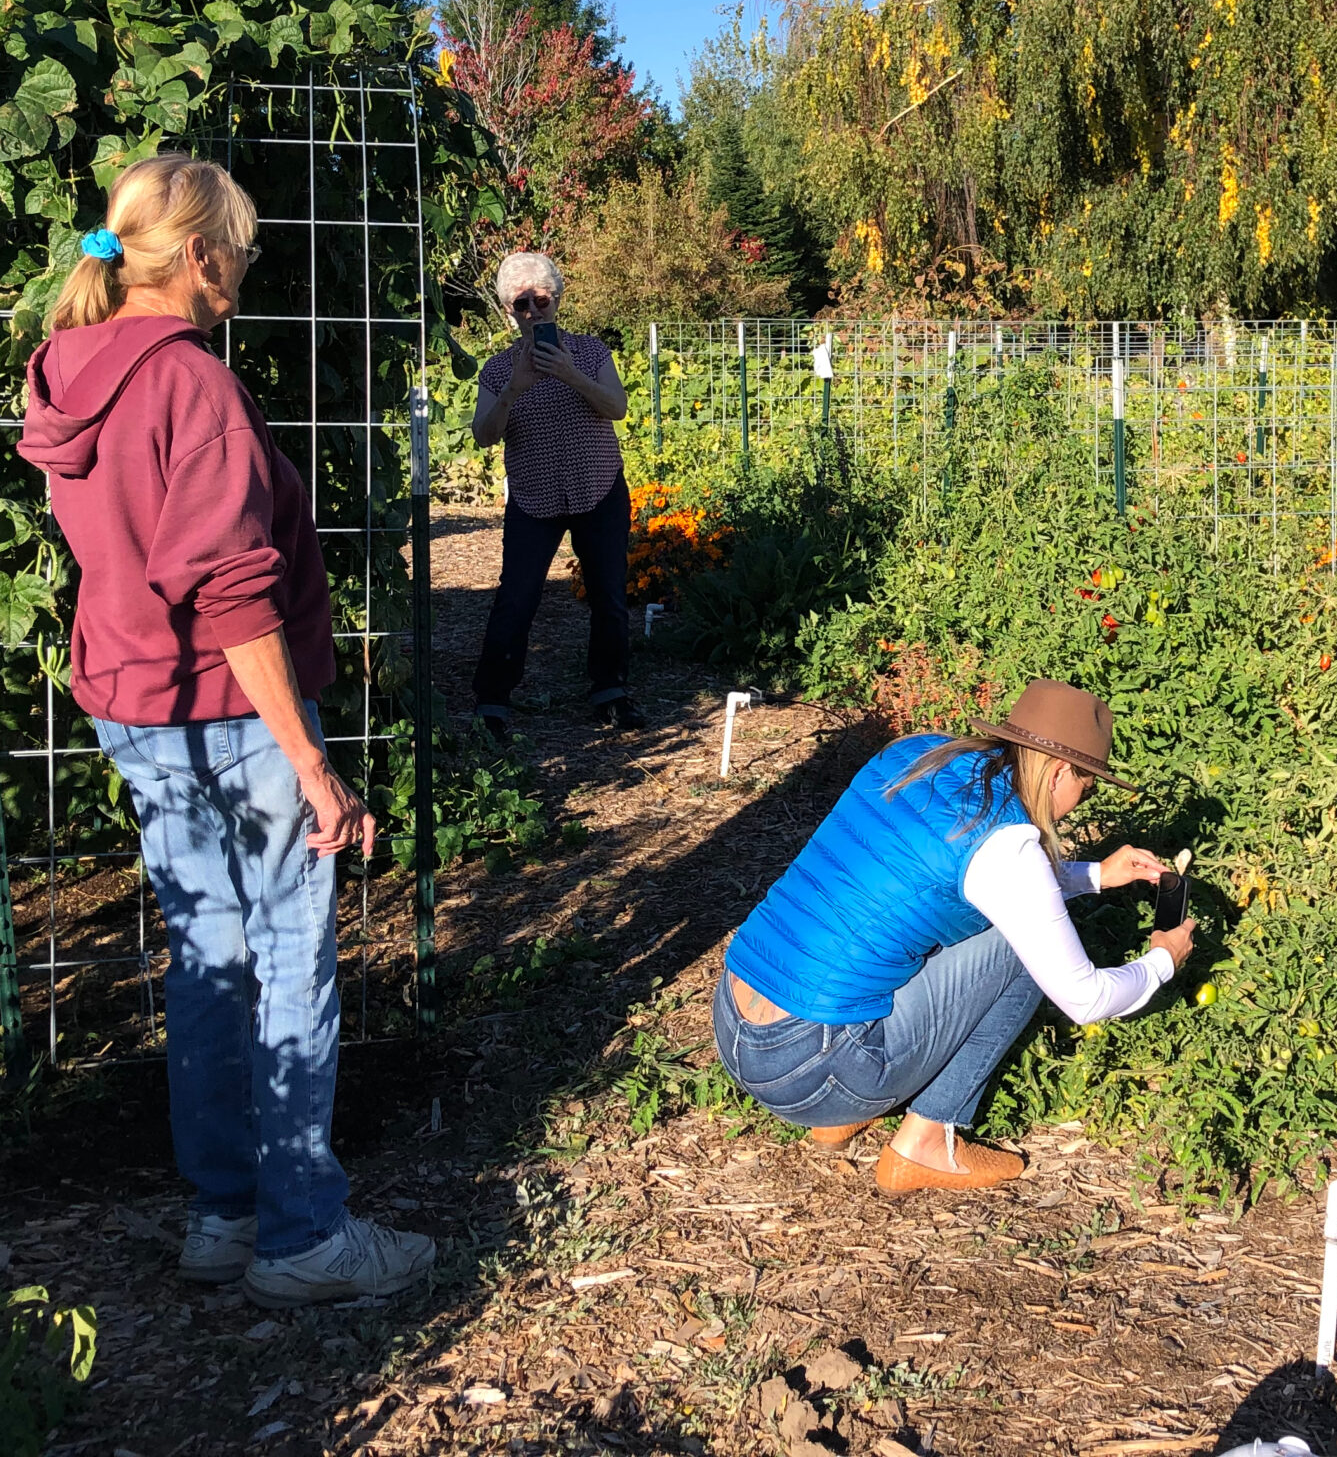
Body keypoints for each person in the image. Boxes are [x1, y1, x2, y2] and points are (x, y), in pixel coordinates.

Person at [18, 154, 434, 1309]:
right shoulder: (188, 383)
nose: (248, 267)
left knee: (208, 957)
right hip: (227, 707)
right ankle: (304, 1233)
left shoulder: (71, 372)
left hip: (132, 702)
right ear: (199, 256)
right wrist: (312, 764)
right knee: (291, 956)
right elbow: (231, 588)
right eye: (241, 247)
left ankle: (222, 1211)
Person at [714, 680, 1193, 1196]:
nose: (1083, 797)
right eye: (1089, 784)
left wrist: (1095, 874)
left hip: (735, 1023)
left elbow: (980, 880)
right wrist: (1163, 959)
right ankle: (923, 1143)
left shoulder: (917, 754)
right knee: (1018, 946)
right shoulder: (1007, 846)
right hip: (810, 1065)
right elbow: (1086, 998)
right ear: (1059, 772)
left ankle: (840, 1114)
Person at [468, 251, 641, 738]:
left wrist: (569, 374)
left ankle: (611, 692)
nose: (532, 312)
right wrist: (515, 388)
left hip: (599, 486)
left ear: (557, 300)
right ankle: (493, 701)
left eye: (540, 300)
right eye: (520, 304)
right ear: (508, 312)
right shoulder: (499, 370)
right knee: (516, 598)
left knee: (608, 594)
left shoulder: (589, 352)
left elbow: (618, 406)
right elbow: (484, 433)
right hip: (533, 496)